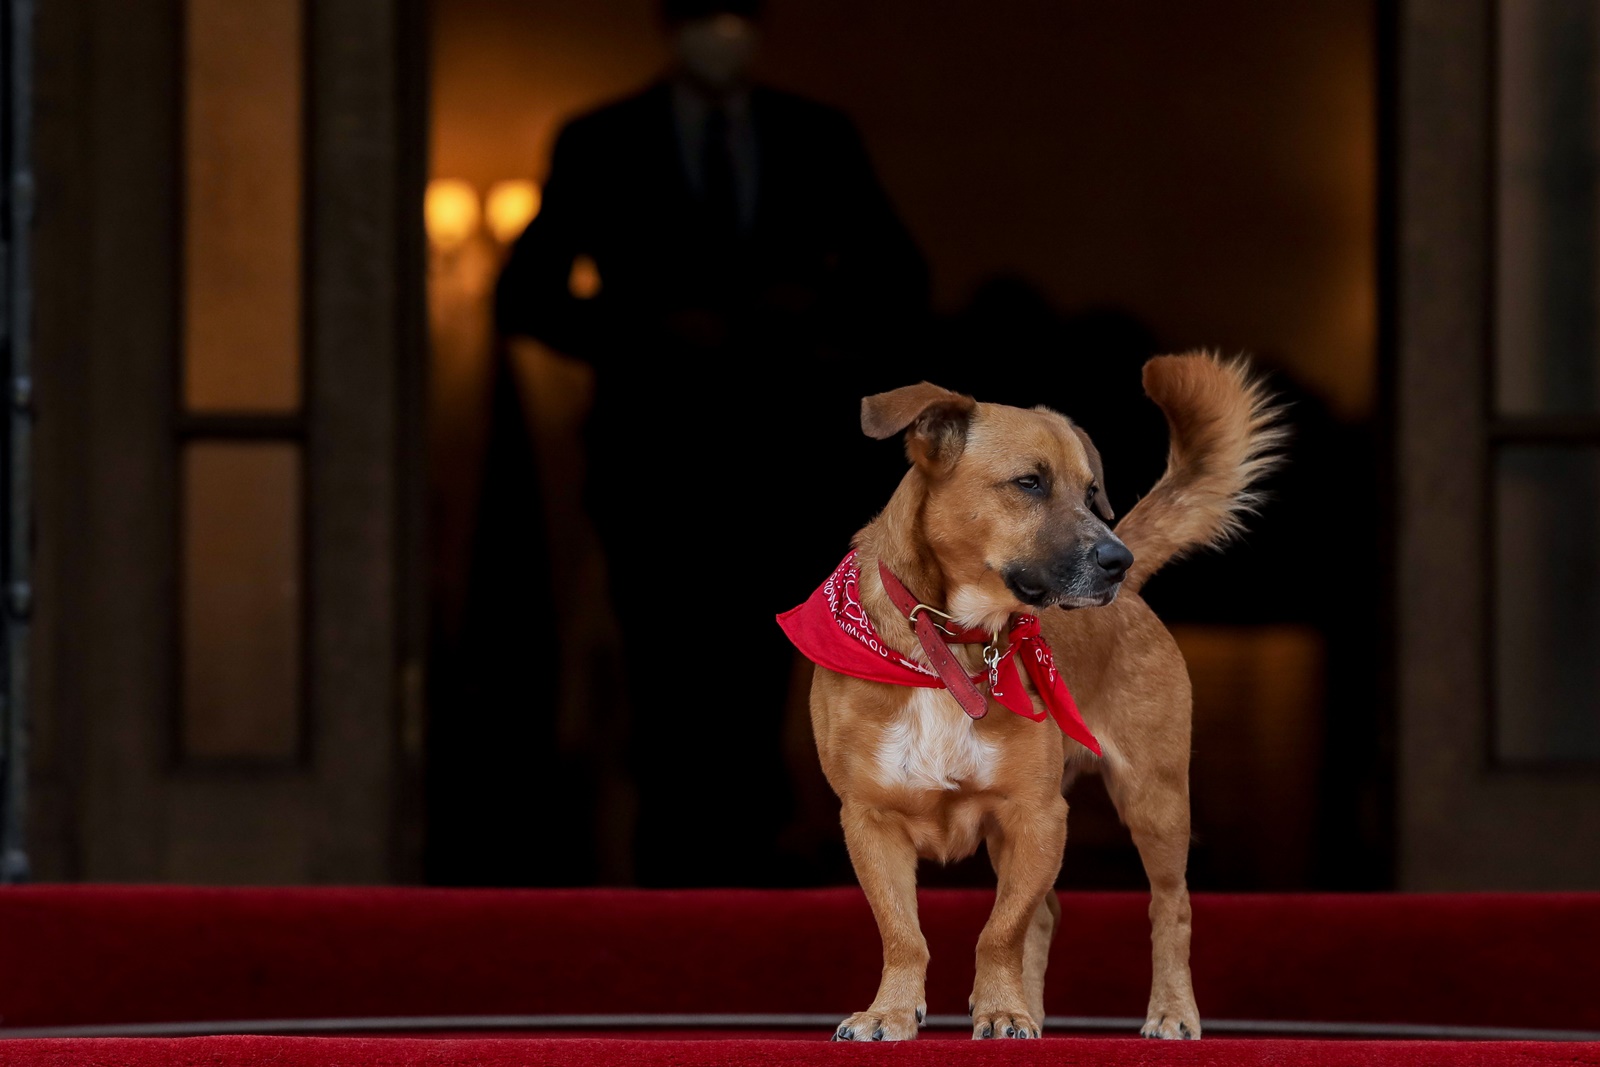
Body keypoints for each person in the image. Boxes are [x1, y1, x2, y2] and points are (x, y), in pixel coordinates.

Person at [494, 0, 929, 885]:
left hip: (785, 464)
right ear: (670, 26)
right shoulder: (602, 140)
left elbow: (901, 280)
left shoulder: (816, 136)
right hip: (655, 464)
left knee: (762, 678)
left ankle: (752, 869)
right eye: (704, 15)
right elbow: (527, 295)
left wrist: (806, 317)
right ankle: (677, 876)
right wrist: (649, 328)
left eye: (738, 15)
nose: (722, 34)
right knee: (666, 671)